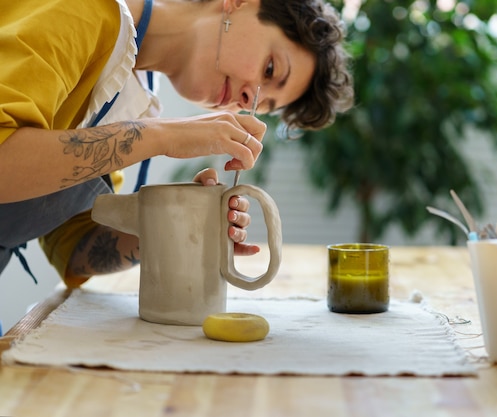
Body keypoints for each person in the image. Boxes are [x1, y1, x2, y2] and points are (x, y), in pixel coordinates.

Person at [0, 0, 353, 287]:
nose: (248, 98)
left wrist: (174, 221)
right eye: (270, 70)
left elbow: (74, 246)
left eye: (261, 105)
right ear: (239, 4)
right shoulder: (82, 10)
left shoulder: (129, 92)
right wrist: (163, 136)